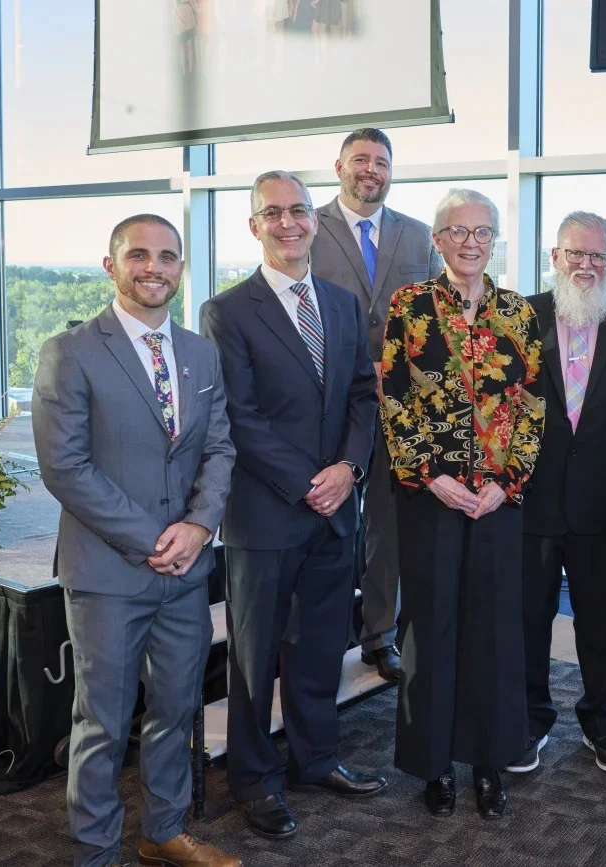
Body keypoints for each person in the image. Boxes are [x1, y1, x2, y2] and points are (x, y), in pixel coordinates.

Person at [32, 215, 239, 867]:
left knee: (177, 710)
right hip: (107, 573)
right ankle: (94, 851)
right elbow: (66, 467)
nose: (155, 267)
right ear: (111, 264)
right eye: (139, 255)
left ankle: (164, 832)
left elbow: (218, 446)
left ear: (181, 267)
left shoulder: (200, 353)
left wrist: (200, 525)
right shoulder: (69, 352)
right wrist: (155, 536)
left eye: (168, 257)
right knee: (103, 723)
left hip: (184, 570)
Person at [200, 171, 385, 842]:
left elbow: (365, 395)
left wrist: (348, 469)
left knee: (319, 648)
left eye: (298, 210)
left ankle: (315, 757)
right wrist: (311, 480)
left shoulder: (339, 303)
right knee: (255, 655)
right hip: (266, 515)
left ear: (314, 219)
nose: (288, 223)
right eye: (272, 213)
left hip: (336, 511)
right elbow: (239, 418)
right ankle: (255, 777)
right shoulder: (226, 311)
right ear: (254, 226)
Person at [380, 188, 544, 821]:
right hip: (432, 497)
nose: (471, 241)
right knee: (431, 626)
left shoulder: (517, 313)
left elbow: (532, 404)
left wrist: (506, 482)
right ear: (438, 240)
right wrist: (433, 477)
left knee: (494, 631)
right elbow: (393, 397)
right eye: (458, 231)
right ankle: (433, 765)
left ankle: (488, 764)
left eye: (482, 231)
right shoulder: (409, 306)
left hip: (499, 498)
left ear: (493, 241)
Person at [509, 212, 606, 776]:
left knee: (599, 619)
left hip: (601, 506)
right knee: (529, 618)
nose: (587, 266)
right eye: (577, 254)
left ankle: (603, 720)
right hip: (531, 502)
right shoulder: (519, 316)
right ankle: (529, 716)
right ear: (555, 257)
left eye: (598, 256)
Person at [311, 128, 443, 684]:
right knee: (331, 523)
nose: (371, 170)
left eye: (382, 162)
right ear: (338, 165)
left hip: (399, 408)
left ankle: (378, 635)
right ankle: (319, 632)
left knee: (387, 527)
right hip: (327, 407)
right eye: (361, 160)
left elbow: (440, 318)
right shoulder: (306, 228)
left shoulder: (417, 237)